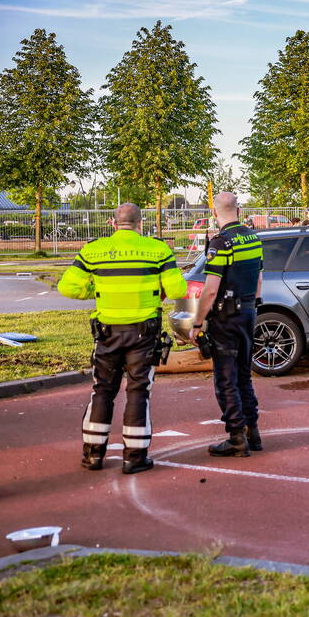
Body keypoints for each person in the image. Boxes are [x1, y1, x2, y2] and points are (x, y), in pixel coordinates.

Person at [58, 203, 187, 474]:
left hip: (107, 333)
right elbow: (177, 289)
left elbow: (67, 287)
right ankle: (135, 458)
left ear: (112, 223)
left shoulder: (93, 251)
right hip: (143, 333)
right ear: (141, 223)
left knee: (102, 390)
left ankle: (93, 455)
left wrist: (97, 290)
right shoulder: (158, 250)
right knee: (138, 391)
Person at [189, 192, 264, 458]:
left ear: (214, 212)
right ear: (239, 211)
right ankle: (252, 432)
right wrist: (252, 306)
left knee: (226, 379)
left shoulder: (221, 243)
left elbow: (210, 290)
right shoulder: (253, 238)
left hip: (226, 318)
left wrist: (197, 323)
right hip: (248, 313)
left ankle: (236, 438)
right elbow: (258, 279)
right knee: (244, 375)